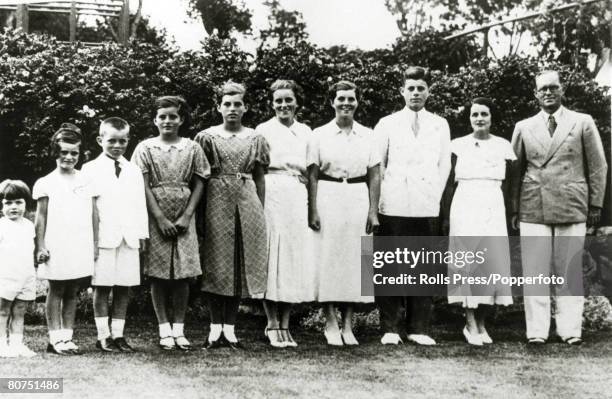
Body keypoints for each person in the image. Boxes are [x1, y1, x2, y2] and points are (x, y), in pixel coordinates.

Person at [511, 70, 607, 346]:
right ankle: (537, 331)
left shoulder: (582, 122)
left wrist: (595, 204)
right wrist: (514, 208)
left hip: (572, 203)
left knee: (569, 269)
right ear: (535, 94)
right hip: (533, 204)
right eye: (543, 89)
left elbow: (598, 166)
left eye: (554, 88)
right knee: (535, 269)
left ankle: (570, 330)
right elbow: (516, 171)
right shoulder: (523, 126)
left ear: (562, 90)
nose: (549, 93)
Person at [374, 66, 451, 346]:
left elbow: (445, 163)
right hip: (393, 203)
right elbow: (378, 164)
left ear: (428, 91)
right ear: (402, 92)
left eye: (421, 88)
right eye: (411, 88)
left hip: (426, 203)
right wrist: (382, 197)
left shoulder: (439, 124)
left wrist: (435, 195)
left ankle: (419, 328)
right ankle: (391, 328)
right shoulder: (387, 123)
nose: (416, 93)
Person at [195, 81, 270, 350]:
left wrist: (258, 208)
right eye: (227, 104)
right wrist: (200, 213)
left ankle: (231, 328)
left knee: (240, 263)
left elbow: (260, 178)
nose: (232, 109)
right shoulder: (207, 137)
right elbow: (200, 178)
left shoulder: (255, 138)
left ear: (245, 107)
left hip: (247, 200)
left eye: (237, 104)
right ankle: (215, 329)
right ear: (219, 107)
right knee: (218, 263)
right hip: (216, 199)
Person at [132, 96, 209, 351]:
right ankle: (163, 329)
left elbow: (200, 180)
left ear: (181, 119)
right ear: (155, 120)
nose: (167, 121)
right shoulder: (145, 148)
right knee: (159, 274)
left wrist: (187, 215)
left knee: (183, 275)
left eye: (172, 116)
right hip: (156, 212)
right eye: (162, 116)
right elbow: (141, 185)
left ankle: (179, 329)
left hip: (184, 211)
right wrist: (160, 218)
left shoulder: (192, 147)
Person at [307, 80, 380, 346]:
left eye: (351, 99)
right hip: (328, 195)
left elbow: (374, 174)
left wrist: (373, 210)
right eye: (341, 99)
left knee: (355, 260)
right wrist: (312, 209)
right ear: (332, 102)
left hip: (357, 197)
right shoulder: (319, 134)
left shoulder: (369, 135)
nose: (345, 103)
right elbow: (312, 175)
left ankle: (349, 325)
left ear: (357, 102)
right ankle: (330, 322)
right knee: (328, 258)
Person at [444, 98, 515, 346]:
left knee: (491, 262)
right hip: (465, 205)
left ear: (491, 117)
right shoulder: (457, 145)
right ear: (469, 118)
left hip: (493, 205)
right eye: (475, 114)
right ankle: (470, 323)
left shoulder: (504, 146)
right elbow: (448, 182)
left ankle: (482, 322)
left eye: (484, 114)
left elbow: (509, 184)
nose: (479, 119)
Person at [255, 80, 315, 348]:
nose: (283, 105)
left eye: (288, 100)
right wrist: (259, 202)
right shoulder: (263, 130)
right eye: (278, 100)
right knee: (272, 255)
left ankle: (286, 323)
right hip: (271, 191)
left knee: (291, 257)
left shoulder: (306, 132)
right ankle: (271, 323)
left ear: (296, 103)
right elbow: (257, 170)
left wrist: (311, 205)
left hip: (296, 193)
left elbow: (312, 171)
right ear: (272, 103)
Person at [81, 117, 148, 352]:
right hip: (104, 238)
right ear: (100, 140)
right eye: (111, 141)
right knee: (102, 286)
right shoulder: (89, 169)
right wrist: (92, 240)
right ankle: (103, 336)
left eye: (122, 141)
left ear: (128, 140)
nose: (117, 145)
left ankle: (119, 336)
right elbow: (88, 207)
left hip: (129, 238)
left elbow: (140, 205)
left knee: (124, 287)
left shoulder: (133, 170)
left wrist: (141, 236)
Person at [34, 123, 99, 355]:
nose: (69, 157)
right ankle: (54, 339)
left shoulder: (86, 180)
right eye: (64, 152)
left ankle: (67, 337)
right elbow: (40, 218)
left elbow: (94, 214)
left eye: (74, 153)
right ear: (55, 152)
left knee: (72, 290)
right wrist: (40, 245)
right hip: (56, 242)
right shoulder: (45, 182)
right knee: (56, 289)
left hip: (79, 242)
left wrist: (93, 244)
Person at [0, 180, 37, 357]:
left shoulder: (29, 226)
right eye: (8, 203)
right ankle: (1, 344)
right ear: (1, 205)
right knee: (2, 310)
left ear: (26, 204)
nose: (13, 207)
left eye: (18, 202)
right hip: (5, 275)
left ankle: (16, 344)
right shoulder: (2, 226)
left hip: (26, 274)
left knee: (20, 310)